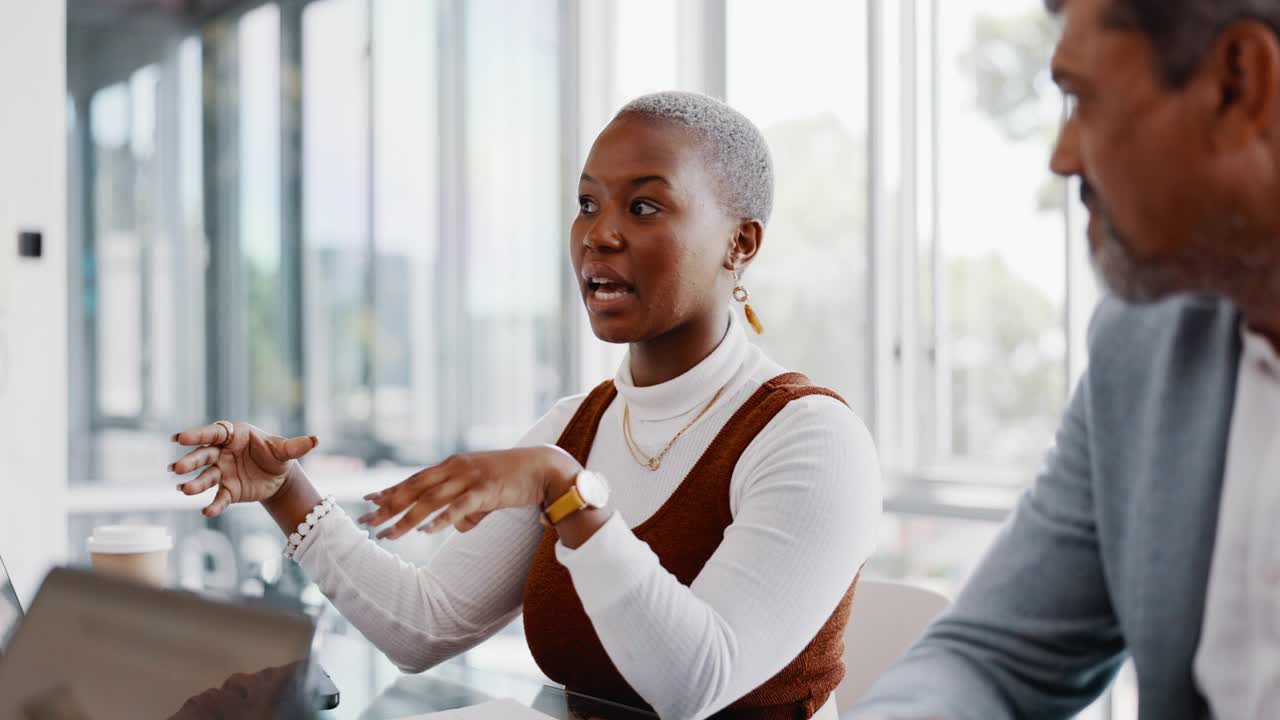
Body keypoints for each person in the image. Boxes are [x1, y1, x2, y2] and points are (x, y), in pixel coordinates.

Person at [168, 91, 881, 720]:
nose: (599, 234)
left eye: (642, 206)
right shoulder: (575, 426)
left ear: (740, 243)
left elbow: (696, 685)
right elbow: (425, 625)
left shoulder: (813, 440)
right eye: (586, 203)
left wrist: (568, 494)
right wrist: (284, 489)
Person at [851, 0, 1280, 718]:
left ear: (1240, 85)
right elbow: (991, 657)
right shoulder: (1141, 343)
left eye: (1081, 99)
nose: (1062, 156)